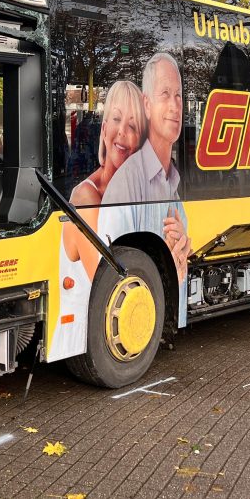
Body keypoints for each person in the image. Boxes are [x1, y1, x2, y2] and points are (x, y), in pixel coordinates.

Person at [50, 80, 145, 359]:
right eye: (116, 119)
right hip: (82, 338)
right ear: (103, 130)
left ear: (140, 142)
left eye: (133, 126)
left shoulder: (125, 194)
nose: (122, 132)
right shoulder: (86, 196)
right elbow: (106, 283)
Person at [99, 52, 192, 312]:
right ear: (147, 105)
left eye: (178, 95)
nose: (175, 106)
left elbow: (181, 262)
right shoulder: (126, 185)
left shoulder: (172, 183)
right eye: (165, 94)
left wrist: (181, 257)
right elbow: (110, 275)